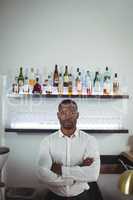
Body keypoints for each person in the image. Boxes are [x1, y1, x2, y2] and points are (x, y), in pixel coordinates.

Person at [37, 99, 100, 200]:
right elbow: (41, 173)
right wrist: (73, 178)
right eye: (63, 113)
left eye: (72, 112)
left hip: (81, 196)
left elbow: (93, 174)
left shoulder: (89, 140)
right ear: (58, 115)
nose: (68, 117)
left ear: (77, 115)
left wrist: (60, 169)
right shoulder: (47, 141)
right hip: (54, 196)